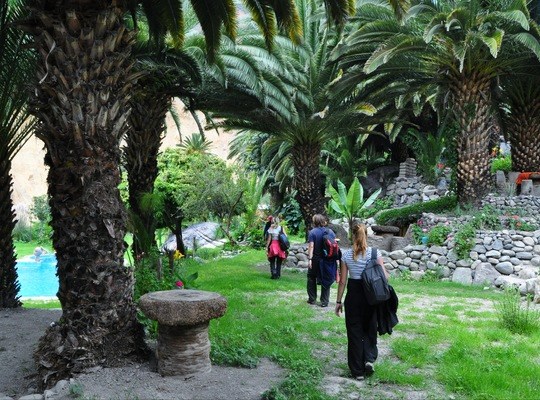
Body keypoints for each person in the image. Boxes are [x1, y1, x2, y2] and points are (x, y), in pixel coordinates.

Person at [335, 222, 389, 380]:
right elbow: (385, 277)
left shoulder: (346, 255)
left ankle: (357, 372)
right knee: (370, 328)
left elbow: (343, 281)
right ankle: (369, 359)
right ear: (367, 235)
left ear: (352, 235)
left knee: (354, 332)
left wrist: (338, 302)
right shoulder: (374, 253)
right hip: (371, 297)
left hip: (354, 295)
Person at [307, 214, 337, 307]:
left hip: (316, 259)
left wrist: (310, 259)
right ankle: (324, 301)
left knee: (311, 277)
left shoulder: (312, 232)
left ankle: (312, 299)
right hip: (328, 259)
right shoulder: (330, 231)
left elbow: (311, 246)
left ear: (315, 221)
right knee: (326, 278)